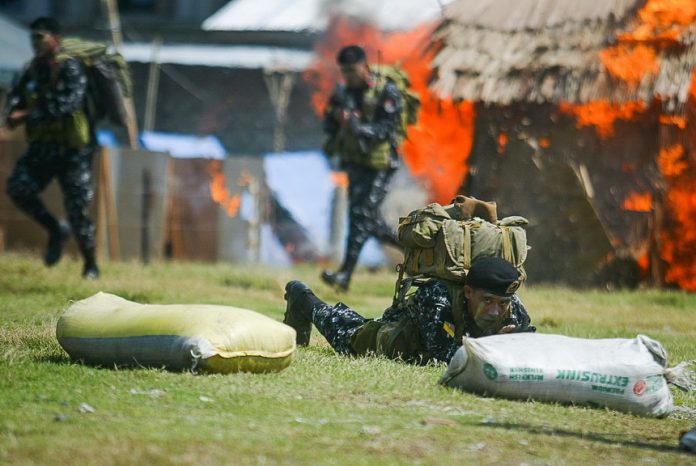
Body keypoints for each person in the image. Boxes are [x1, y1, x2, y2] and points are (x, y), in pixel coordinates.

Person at [284, 256, 536, 364]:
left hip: (428, 343)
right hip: (392, 338)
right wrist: (498, 346)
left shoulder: (513, 308)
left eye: (502, 303)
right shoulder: (436, 299)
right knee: (342, 330)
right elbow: (442, 355)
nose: (495, 310)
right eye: (488, 300)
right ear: (468, 292)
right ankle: (302, 297)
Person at [4, 17, 99, 279]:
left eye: (40, 37)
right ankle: (56, 230)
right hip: (43, 148)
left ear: (55, 39)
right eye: (32, 37)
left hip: (73, 151)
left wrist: (26, 116)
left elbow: (67, 104)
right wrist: (10, 114)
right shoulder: (30, 70)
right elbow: (15, 98)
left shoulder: (71, 68)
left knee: (77, 209)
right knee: (18, 188)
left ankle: (90, 264)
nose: (35, 43)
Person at [320, 44, 405, 291]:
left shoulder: (385, 92)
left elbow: (386, 130)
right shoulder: (342, 95)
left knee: (362, 217)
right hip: (356, 163)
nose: (349, 76)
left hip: (379, 164)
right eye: (345, 72)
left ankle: (345, 275)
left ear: (365, 66)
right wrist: (338, 118)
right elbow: (329, 127)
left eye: (353, 70)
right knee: (361, 218)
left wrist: (360, 129)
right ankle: (413, 249)